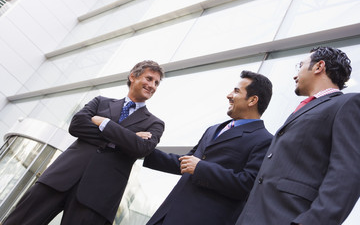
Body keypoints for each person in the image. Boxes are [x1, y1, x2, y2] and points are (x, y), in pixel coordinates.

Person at [3, 60, 165, 225]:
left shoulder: (154, 123)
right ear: (133, 76)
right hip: (60, 177)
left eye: (157, 83)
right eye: (149, 78)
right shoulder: (100, 102)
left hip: (98, 196)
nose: (152, 85)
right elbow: (76, 125)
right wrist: (127, 137)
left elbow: (142, 148)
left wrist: (105, 123)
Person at [236, 46, 360, 225]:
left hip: (289, 217)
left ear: (319, 67)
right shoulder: (302, 109)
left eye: (300, 65)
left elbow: (347, 173)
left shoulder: (347, 104)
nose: (295, 75)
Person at [142, 70, 273, 225]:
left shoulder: (265, 140)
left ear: (252, 100)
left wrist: (201, 168)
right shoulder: (214, 129)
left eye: (236, 91)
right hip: (168, 213)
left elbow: (247, 184)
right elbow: (185, 163)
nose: (229, 95)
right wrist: (143, 149)